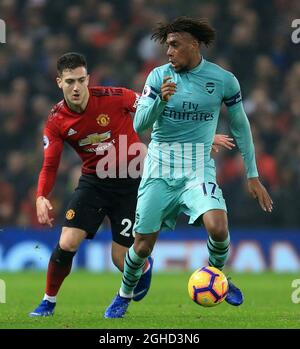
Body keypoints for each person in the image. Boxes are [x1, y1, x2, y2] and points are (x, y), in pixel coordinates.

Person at [29, 51, 230, 317]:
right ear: (59, 82)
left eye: (80, 80)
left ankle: (142, 267)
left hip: (133, 182)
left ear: (88, 79)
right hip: (94, 182)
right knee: (67, 242)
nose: (76, 87)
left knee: (120, 259)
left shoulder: (116, 97)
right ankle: (48, 302)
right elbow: (50, 163)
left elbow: (160, 110)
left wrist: (200, 135)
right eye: (69, 82)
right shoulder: (56, 120)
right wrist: (42, 195)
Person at [104, 17, 273, 318]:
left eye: (174, 45)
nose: (168, 52)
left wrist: (253, 174)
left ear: (194, 44)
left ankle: (216, 277)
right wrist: (160, 102)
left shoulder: (223, 80)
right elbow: (138, 124)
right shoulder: (158, 77)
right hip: (159, 168)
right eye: (167, 46)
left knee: (218, 227)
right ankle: (124, 293)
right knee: (142, 246)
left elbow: (241, 127)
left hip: (197, 168)